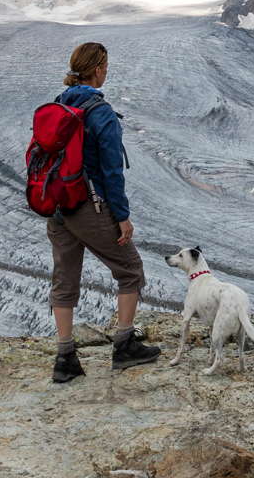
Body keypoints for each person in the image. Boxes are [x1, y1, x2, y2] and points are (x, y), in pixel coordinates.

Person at [46, 42, 160, 383]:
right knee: (130, 270)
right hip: (87, 206)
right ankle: (124, 347)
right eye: (106, 66)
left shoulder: (59, 104)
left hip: (57, 207)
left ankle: (65, 359)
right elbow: (112, 173)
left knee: (65, 279)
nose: (107, 71)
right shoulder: (101, 112)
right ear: (98, 70)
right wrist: (122, 216)